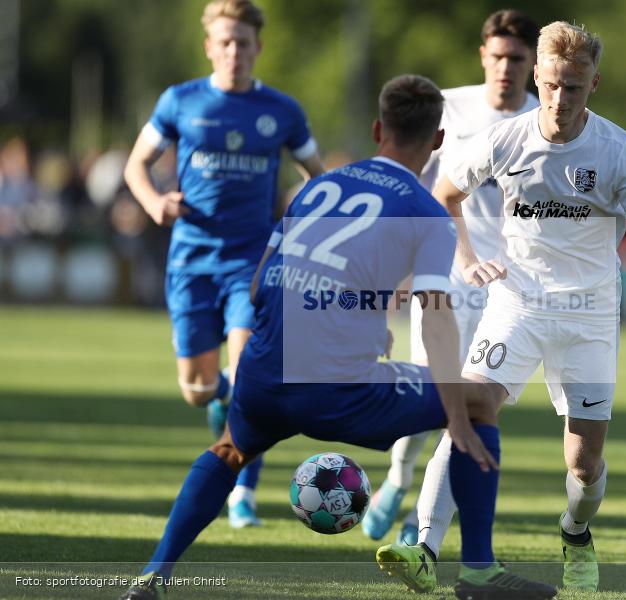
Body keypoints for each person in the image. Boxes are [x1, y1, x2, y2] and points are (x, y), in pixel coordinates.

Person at [118, 74, 557, 600]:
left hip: (264, 372)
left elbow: (261, 281)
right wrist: (457, 418)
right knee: (482, 401)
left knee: (230, 449)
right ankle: (479, 573)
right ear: (438, 140)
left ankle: (154, 576)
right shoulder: (426, 212)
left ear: (377, 129)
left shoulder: (320, 186)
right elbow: (437, 315)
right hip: (344, 391)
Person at [419, 21, 626, 592]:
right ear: (537, 79)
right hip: (516, 304)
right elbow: (443, 197)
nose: (559, 99)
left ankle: (574, 531)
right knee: (469, 412)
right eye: (550, 85)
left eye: (573, 87)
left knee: (583, 464)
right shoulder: (507, 139)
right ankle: (422, 546)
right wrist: (468, 258)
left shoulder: (619, 151)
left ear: (594, 83)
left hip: (589, 315)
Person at [123, 0, 325, 528]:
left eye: (244, 42)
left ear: (258, 47)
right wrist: (153, 203)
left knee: (248, 376)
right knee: (197, 390)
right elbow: (135, 165)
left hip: (251, 263)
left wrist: (300, 223)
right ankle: (217, 406)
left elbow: (317, 175)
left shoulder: (281, 110)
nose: (235, 51)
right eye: (226, 42)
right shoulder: (179, 101)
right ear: (210, 46)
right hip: (190, 263)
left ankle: (241, 494)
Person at [362, 8, 540, 548]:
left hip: (507, 291)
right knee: (426, 398)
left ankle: (425, 532)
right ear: (482, 56)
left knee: (461, 406)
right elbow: (410, 184)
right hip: (443, 272)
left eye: (516, 58)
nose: (505, 67)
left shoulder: (546, 122)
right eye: (497, 56)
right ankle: (397, 477)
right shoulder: (449, 107)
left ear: (532, 64)